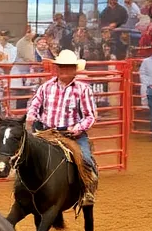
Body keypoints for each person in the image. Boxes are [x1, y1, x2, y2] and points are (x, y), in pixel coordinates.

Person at [25, 49, 99, 205]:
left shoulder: (83, 90)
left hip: (72, 134)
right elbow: (35, 104)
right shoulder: (46, 87)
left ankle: (87, 192)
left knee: (86, 160)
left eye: (68, 67)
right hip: (47, 132)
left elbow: (90, 116)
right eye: (61, 67)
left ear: (74, 70)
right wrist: (32, 115)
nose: (64, 70)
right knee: (27, 155)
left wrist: (77, 128)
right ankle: (26, 189)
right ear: (57, 69)